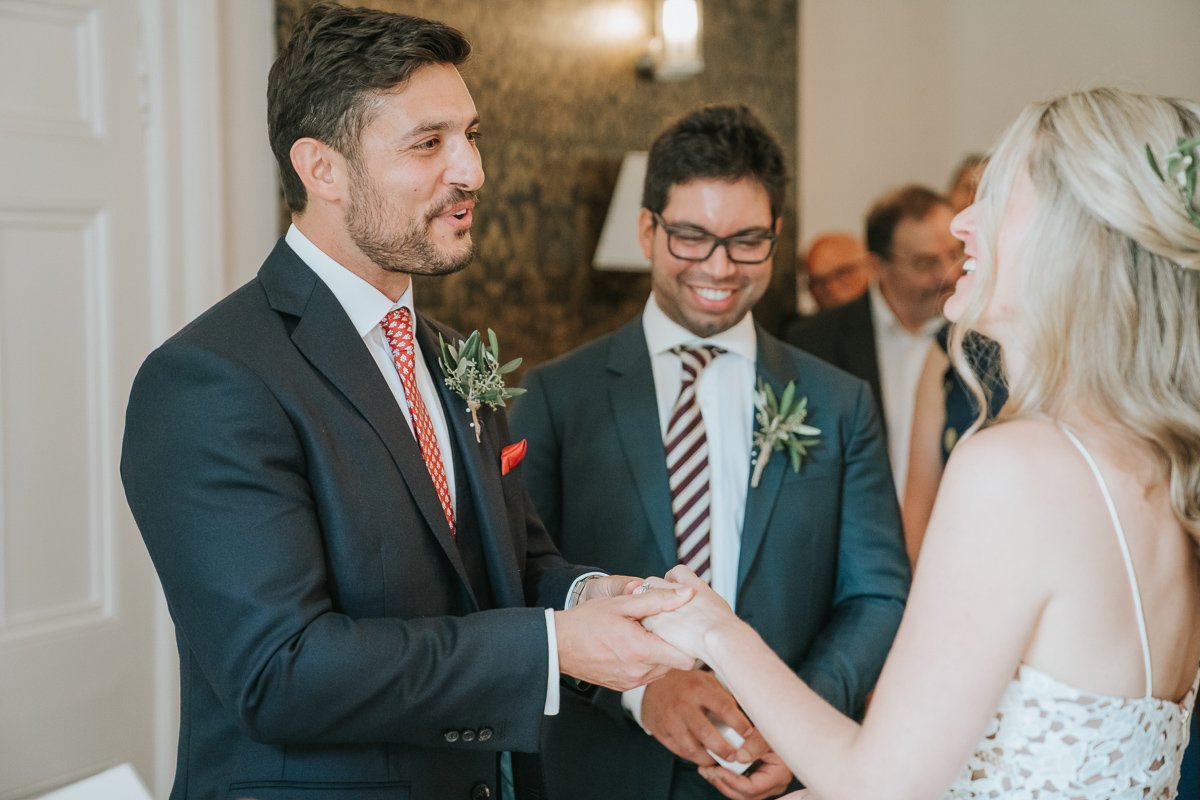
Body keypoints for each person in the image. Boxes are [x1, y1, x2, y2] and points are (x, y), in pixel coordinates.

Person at [119, 5, 695, 799]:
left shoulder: (455, 356)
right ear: (321, 169)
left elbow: (510, 568)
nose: (472, 172)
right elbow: (281, 672)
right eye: (428, 144)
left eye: (470, 135)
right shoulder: (210, 380)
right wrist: (552, 645)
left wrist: (596, 597)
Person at [644, 87, 1200, 799]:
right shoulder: (1153, 465)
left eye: (998, 198)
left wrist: (718, 632)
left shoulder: (1016, 469)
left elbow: (878, 787)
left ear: (1080, 236)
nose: (962, 225)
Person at [510, 105, 910, 800]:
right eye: (692, 237)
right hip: (606, 771)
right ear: (648, 230)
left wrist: (793, 721)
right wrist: (641, 692)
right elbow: (521, 584)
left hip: (784, 775)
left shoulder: (840, 403)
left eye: (746, 241)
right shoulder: (555, 397)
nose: (719, 267)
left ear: (776, 238)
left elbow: (877, 595)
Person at [784, 186, 962, 498]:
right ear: (878, 265)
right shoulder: (813, 343)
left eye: (954, 254)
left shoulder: (981, 337)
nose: (947, 274)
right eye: (925, 263)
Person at [801, 232, 872, 312]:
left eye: (842, 274)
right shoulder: (811, 323)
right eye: (819, 281)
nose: (831, 288)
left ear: (870, 267)